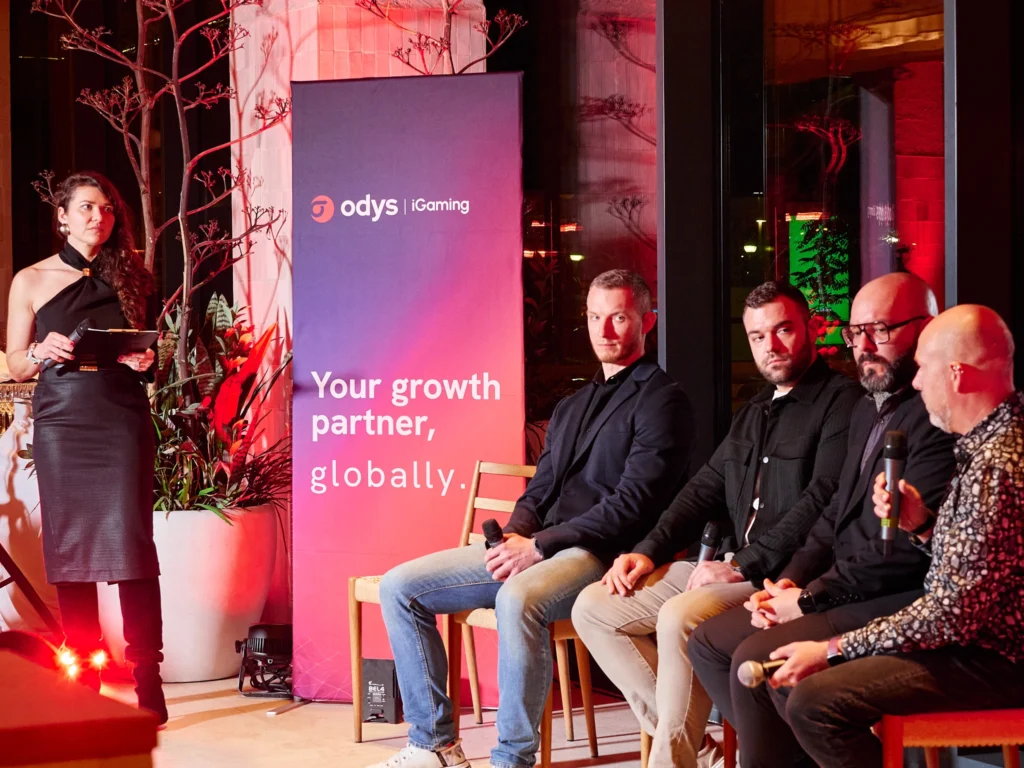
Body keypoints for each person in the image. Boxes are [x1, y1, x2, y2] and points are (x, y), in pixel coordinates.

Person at [369, 270, 695, 768]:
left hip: (600, 554)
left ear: (647, 321)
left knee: (517, 597)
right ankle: (434, 745)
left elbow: (635, 503)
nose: (603, 331)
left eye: (619, 318)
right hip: (538, 546)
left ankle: (512, 760)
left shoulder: (663, 399)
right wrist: (520, 531)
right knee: (399, 586)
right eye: (594, 317)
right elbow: (541, 487)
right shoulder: (572, 404)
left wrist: (538, 547)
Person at [571, 281, 861, 768]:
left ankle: (671, 761)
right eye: (756, 335)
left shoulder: (842, 403)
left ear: (810, 328)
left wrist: (743, 565)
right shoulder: (754, 411)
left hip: (784, 579)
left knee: (678, 615)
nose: (771, 345)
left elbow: (820, 501)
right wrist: (649, 549)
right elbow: (704, 488)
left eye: (783, 329)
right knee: (594, 607)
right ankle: (698, 750)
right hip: (726, 567)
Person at [687, 272, 957, 768]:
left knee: (755, 658)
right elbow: (832, 515)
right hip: (843, 585)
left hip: (897, 595)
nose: (865, 346)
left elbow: (896, 554)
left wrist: (809, 598)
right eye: (855, 333)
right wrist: (788, 581)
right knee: (707, 642)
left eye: (881, 328)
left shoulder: (937, 416)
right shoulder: (868, 409)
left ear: (930, 327)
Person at [762, 305, 1024, 768]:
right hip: (975, 638)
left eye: (923, 369)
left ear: (958, 375)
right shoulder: (990, 444)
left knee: (814, 701)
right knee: (798, 682)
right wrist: (921, 524)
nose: (918, 384)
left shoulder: (998, 464)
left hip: (998, 656)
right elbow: (971, 575)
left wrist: (832, 649)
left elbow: (951, 615)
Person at [6, 172, 166, 723]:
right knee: (71, 553)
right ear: (63, 216)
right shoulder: (30, 279)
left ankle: (148, 674)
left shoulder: (132, 276)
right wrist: (39, 350)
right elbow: (13, 363)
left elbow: (145, 351)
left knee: (132, 549)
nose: (101, 217)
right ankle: (86, 678)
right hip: (62, 418)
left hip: (119, 415)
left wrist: (144, 361)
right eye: (88, 208)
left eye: (108, 210)